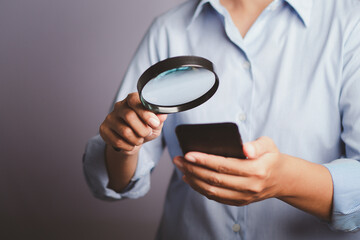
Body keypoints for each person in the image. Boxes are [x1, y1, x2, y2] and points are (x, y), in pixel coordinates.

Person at [83, 0, 360, 239]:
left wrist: (283, 180)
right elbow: (114, 180)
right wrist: (124, 144)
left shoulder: (349, 21)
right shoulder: (169, 29)